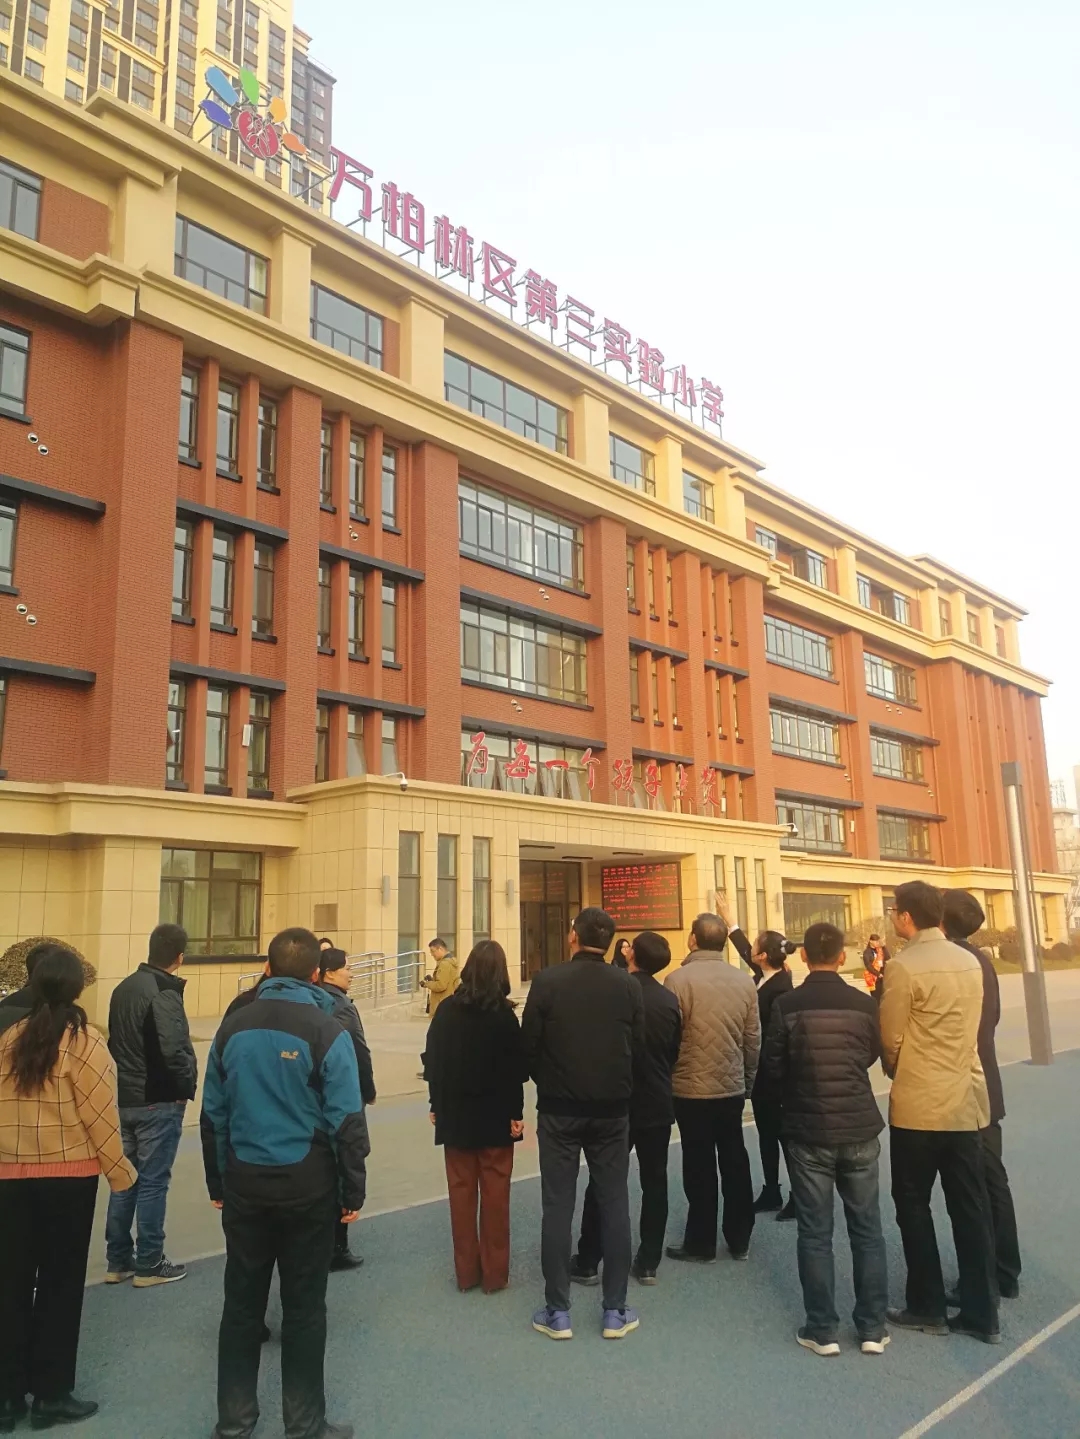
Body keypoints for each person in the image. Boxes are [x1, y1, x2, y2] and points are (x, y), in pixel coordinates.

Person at [201, 927, 368, 1439]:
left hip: (245, 1183)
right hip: (308, 1186)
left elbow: (213, 1114)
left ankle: (234, 1423)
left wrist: (217, 1182)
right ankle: (304, 1423)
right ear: (317, 973)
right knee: (304, 1308)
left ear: (268, 969)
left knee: (241, 1306)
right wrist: (352, 1191)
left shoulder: (232, 1027)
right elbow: (347, 1121)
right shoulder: (327, 1029)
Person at [0, 945, 137, 1431]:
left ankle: (6, 1398)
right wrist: (120, 1172)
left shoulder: (7, 1037)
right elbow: (100, 1114)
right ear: (78, 988)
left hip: (8, 1177)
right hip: (69, 1178)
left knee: (9, 1284)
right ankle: (52, 1395)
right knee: (60, 1286)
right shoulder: (85, 1040)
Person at [879, 881, 999, 1345]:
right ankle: (981, 1311)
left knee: (913, 1204)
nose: (893, 917)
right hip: (964, 1099)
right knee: (970, 1206)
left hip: (919, 1106)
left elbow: (890, 1038)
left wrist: (898, 1065)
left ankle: (927, 1305)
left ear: (907, 917)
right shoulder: (969, 961)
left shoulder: (903, 966)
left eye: (895, 910)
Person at [764, 922, 890, 1357]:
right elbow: (871, 1053)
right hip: (858, 1125)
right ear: (842, 956)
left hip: (808, 1128)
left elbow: (773, 1065)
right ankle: (872, 1327)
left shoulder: (786, 1004)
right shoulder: (864, 1003)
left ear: (803, 957)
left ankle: (822, 1329)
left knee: (815, 1233)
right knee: (867, 1230)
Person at [522, 907, 644, 1341]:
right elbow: (639, 1045)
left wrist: (550, 1080)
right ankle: (615, 1309)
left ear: (573, 936)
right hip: (612, 1109)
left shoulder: (547, 981)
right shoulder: (627, 985)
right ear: (610, 942)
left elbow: (528, 1046)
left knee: (557, 1205)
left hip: (559, 1108)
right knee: (614, 1203)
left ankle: (558, 1311)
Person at [571, 931, 681, 1286]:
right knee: (655, 1181)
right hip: (657, 1100)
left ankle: (589, 1259)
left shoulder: (616, 993)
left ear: (633, 955)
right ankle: (648, 1261)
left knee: (603, 1180)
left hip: (616, 1102)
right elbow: (673, 1051)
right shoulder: (668, 1000)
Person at [424, 940, 528, 1294]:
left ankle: (466, 1273)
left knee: (461, 1196)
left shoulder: (447, 1012)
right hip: (496, 1117)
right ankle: (495, 1275)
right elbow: (515, 1072)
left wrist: (435, 1104)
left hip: (456, 1116)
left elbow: (433, 1062)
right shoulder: (504, 1016)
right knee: (496, 1199)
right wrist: (516, 1113)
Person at [104, 922, 197, 1287]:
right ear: (180, 956)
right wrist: (185, 1085)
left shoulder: (123, 988)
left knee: (124, 1180)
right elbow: (174, 1049)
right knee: (153, 1182)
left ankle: (118, 1260)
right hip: (157, 1099)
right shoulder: (163, 992)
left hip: (125, 1096)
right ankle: (149, 1262)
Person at [664, 910, 760, 1263]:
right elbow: (753, 1038)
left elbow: (669, 1037)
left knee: (699, 1164)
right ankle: (739, 1238)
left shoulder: (677, 980)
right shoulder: (744, 981)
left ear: (693, 939)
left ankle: (701, 1242)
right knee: (735, 1159)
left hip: (690, 1087)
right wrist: (748, 1080)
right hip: (730, 1085)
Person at [941, 889, 1021, 1301]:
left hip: (964, 1086)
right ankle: (1005, 1272)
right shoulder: (982, 960)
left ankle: (981, 1280)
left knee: (971, 1188)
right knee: (992, 1181)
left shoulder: (952, 961)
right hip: (986, 1082)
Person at [318, 947, 376, 1273]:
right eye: (347, 968)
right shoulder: (341, 1007)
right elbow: (359, 1051)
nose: (351, 974)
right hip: (342, 1098)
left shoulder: (309, 1000)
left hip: (312, 1100)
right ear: (329, 972)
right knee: (343, 1165)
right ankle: (336, 1247)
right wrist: (368, 1090)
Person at [748, 931, 795, 1215]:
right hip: (761, 1071)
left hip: (775, 1072)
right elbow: (746, 953)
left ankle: (798, 1194)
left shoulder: (781, 987)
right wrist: (731, 924)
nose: (751, 949)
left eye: (755, 946)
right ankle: (771, 1190)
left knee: (783, 1135)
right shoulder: (763, 977)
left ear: (763, 956)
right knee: (766, 1133)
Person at [420, 938, 460, 1019]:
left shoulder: (445, 964)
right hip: (447, 1004)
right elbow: (446, 982)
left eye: (433, 951)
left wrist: (426, 984)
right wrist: (432, 980)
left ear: (440, 949)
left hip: (442, 1006)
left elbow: (441, 985)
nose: (432, 954)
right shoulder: (450, 962)